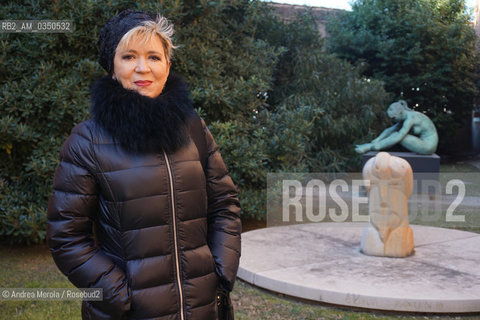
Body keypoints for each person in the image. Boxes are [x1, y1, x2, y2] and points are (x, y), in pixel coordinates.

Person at [47, 10, 241, 320]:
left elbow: (225, 205)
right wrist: (119, 294)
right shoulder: (88, 140)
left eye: (153, 56)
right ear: (112, 66)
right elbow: (66, 236)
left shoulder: (192, 128)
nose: (142, 68)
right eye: (129, 56)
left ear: (168, 65)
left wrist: (221, 270)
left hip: (203, 308)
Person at [355, 100, 438, 155]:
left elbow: (398, 137)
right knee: (394, 132)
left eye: (393, 118)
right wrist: (376, 140)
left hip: (429, 146)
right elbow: (389, 130)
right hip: (425, 143)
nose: (393, 120)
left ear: (400, 112)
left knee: (396, 135)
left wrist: (370, 147)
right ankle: (371, 146)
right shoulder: (405, 116)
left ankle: (370, 147)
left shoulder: (410, 119)